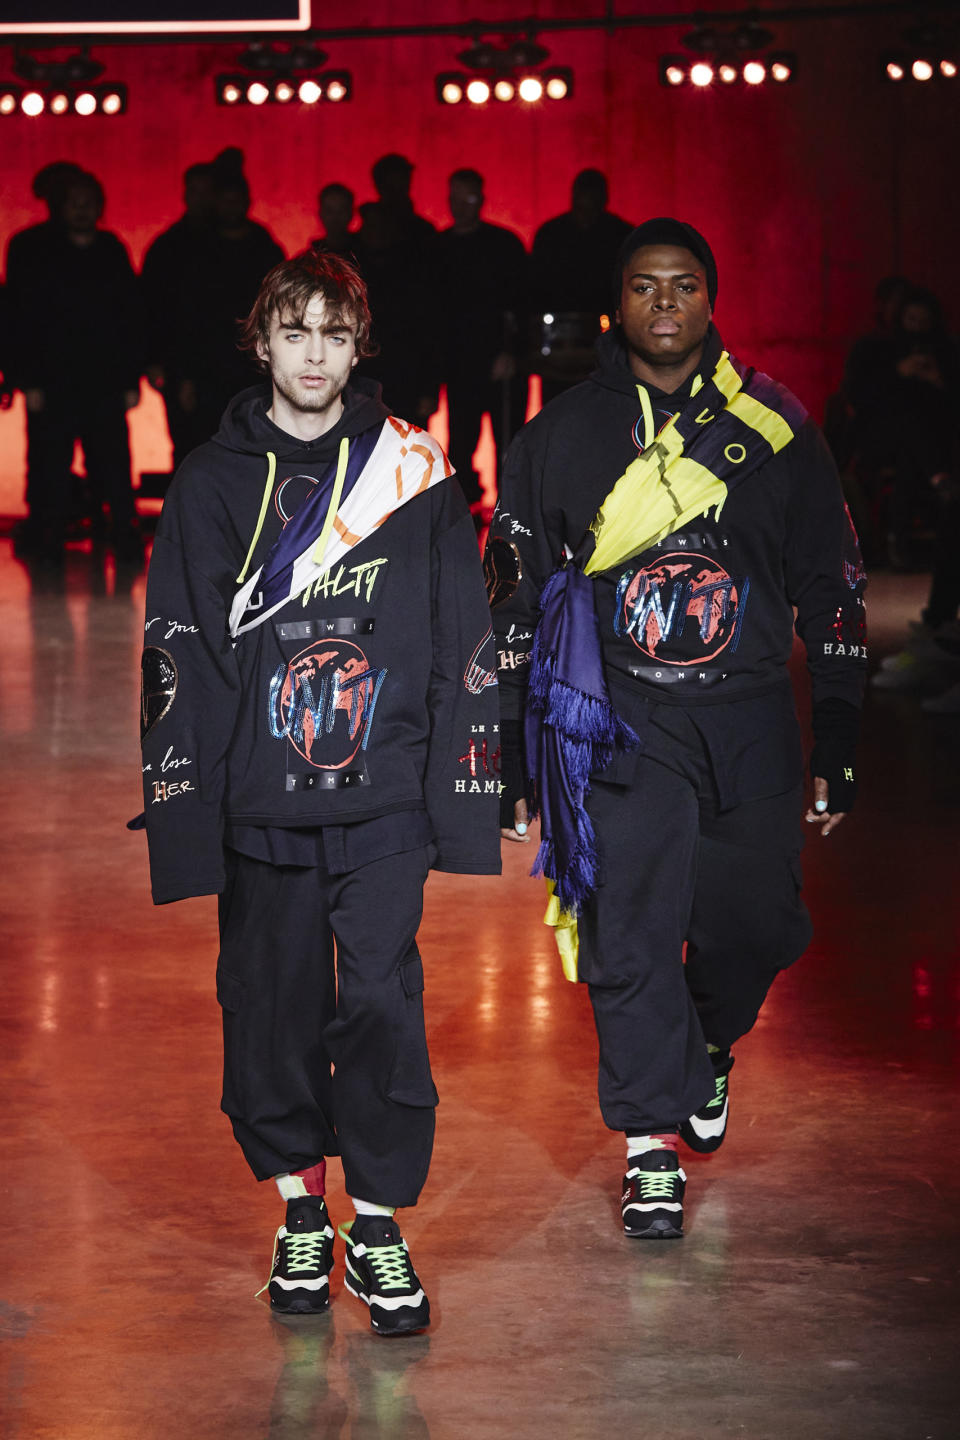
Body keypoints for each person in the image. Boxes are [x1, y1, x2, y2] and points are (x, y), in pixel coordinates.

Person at [137, 250, 500, 1334]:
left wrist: (462, 799)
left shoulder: (416, 473)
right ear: (260, 342)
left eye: (333, 334)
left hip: (384, 793)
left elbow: (459, 641)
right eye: (293, 331)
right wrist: (185, 819)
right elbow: (178, 652)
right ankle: (302, 1207)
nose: (312, 353)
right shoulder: (209, 482)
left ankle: (378, 1225)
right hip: (260, 799)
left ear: (359, 346)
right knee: (271, 1011)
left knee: (385, 1000)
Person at [487, 218, 866, 1241]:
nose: (665, 304)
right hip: (619, 715)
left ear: (712, 299)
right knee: (631, 931)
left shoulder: (777, 428)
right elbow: (512, 603)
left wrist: (837, 728)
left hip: (746, 715)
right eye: (645, 287)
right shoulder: (557, 436)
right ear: (618, 305)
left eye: (684, 285)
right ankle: (650, 1145)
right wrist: (510, 754)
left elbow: (831, 585)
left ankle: (703, 1042)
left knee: (760, 922)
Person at [6, 168, 143, 561]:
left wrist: (129, 377)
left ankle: (120, 529)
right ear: (60, 207)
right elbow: (19, 318)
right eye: (75, 203)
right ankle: (47, 531)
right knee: (49, 461)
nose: (82, 210)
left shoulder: (110, 250)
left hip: (102, 379)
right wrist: (25, 379)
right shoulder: (32, 250)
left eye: (89, 203)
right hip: (53, 379)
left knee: (113, 461)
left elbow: (129, 317)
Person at [436, 168, 528, 514]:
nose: (461, 205)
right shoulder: (440, 248)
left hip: (503, 366)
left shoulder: (504, 246)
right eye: (456, 198)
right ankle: (464, 514)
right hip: (462, 366)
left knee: (510, 444)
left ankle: (513, 515)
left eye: (468, 198)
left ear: (481, 199)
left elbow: (522, 305)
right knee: (461, 442)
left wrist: (512, 353)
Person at [529, 169, 633, 403]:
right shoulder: (552, 235)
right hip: (559, 343)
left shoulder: (620, 235)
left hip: (605, 344)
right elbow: (535, 289)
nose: (587, 208)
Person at [141, 162, 219, 469]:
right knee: (188, 444)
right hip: (181, 362)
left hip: (222, 363)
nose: (200, 198)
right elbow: (152, 308)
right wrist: (154, 360)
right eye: (195, 191)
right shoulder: (168, 247)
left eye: (205, 191)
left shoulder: (171, 245)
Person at [355, 155, 439, 423]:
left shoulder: (422, 241)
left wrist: (429, 386)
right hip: (372, 367)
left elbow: (430, 321)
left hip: (406, 366)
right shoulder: (358, 251)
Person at [312, 182, 362, 265]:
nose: (335, 217)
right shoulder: (313, 256)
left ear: (351, 213)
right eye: (329, 210)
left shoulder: (365, 252)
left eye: (341, 210)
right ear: (321, 213)